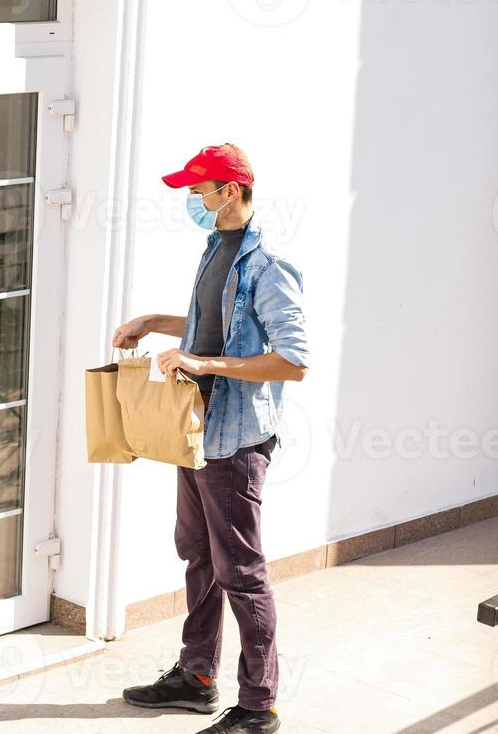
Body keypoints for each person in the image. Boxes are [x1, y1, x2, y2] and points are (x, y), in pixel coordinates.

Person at [112, 143, 310, 734]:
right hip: (195, 431)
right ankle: (197, 677)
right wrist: (152, 320)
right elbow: (207, 328)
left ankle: (259, 705)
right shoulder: (213, 250)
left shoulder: (268, 267)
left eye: (198, 191)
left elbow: (293, 361)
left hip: (235, 442)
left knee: (241, 572)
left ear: (229, 191)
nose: (191, 201)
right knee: (197, 553)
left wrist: (207, 365)